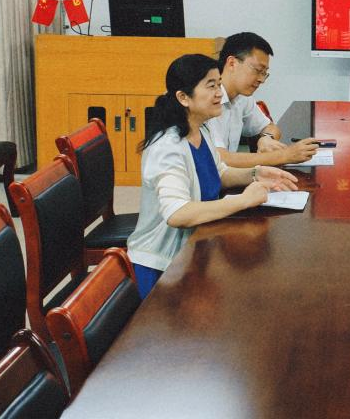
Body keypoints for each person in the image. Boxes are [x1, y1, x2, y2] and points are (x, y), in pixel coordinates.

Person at [127, 54, 298, 299]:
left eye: (219, 84)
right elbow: (178, 213)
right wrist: (242, 201)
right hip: (165, 266)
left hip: (196, 249)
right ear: (183, 97)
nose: (219, 93)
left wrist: (255, 174)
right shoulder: (168, 147)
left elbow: (218, 173)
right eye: (210, 86)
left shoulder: (201, 129)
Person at [207, 32, 319, 167]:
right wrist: (285, 156)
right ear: (232, 63)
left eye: (264, 73)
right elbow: (220, 159)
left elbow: (270, 127)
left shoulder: (242, 97)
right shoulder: (207, 100)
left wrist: (266, 138)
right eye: (257, 70)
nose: (261, 79)